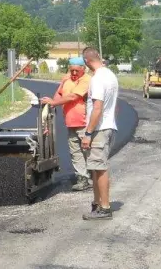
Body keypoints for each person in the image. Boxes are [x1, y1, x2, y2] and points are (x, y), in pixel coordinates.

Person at [40, 57, 91, 191]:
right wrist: (50, 105)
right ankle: (83, 178)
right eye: (72, 70)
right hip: (70, 122)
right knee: (75, 152)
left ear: (83, 69)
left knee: (88, 150)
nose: (74, 73)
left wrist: (54, 103)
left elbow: (73, 97)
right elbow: (59, 94)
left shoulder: (86, 80)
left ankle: (94, 176)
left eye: (77, 71)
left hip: (85, 122)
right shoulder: (66, 79)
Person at [80, 46, 119, 220]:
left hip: (99, 130)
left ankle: (104, 208)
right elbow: (114, 105)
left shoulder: (97, 79)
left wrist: (88, 133)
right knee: (96, 168)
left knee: (100, 168)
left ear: (87, 61)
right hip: (108, 126)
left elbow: (97, 108)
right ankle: (97, 204)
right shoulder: (110, 75)